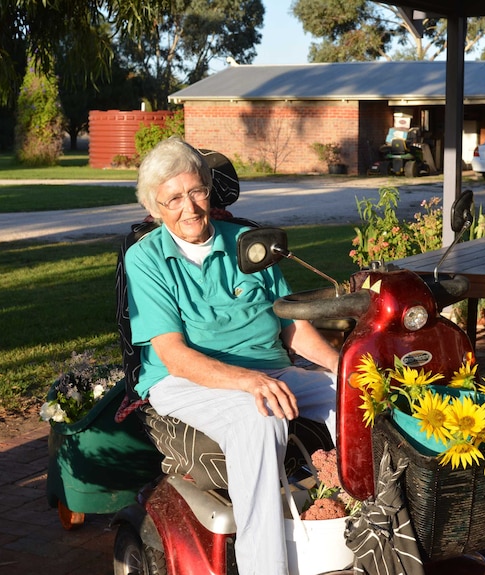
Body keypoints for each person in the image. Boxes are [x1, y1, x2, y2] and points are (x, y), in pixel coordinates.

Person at [124, 137, 340, 575]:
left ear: (208, 188)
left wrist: (346, 367)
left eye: (196, 191)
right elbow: (176, 357)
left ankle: (364, 528)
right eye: (173, 199)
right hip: (183, 379)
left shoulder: (246, 242)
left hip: (269, 367)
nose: (189, 208)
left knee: (356, 397)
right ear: (155, 207)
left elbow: (291, 325)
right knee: (259, 417)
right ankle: (266, 567)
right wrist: (247, 382)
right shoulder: (145, 259)